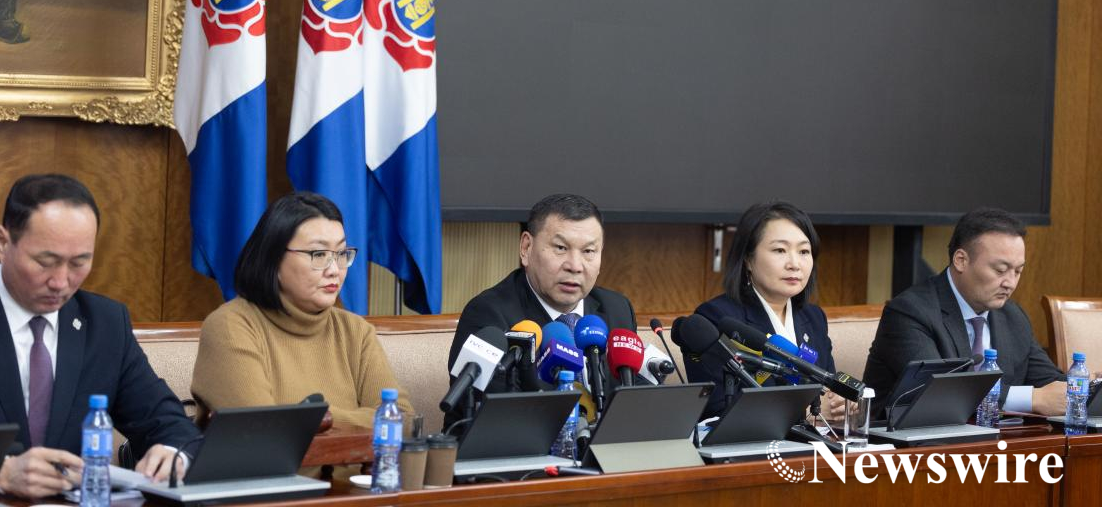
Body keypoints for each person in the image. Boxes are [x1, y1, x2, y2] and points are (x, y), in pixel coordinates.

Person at [0, 173, 198, 499]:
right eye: (45, 262)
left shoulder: (106, 324)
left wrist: (173, 454)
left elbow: (170, 425)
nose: (60, 282)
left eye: (79, 262)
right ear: (3, 242)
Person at [190, 191, 412, 435]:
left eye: (341, 254)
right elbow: (264, 428)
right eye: (319, 254)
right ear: (273, 259)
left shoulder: (355, 331)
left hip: (356, 463)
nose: (334, 270)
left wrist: (316, 417)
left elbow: (403, 421)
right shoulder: (231, 327)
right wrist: (362, 420)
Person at [444, 193, 637, 428]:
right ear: (526, 248)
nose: (575, 266)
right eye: (560, 248)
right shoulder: (489, 316)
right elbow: (494, 423)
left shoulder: (617, 310)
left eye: (588, 251)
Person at [863, 207, 1072, 415]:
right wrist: (1032, 398)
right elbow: (941, 393)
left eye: (1018, 271)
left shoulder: (1013, 317)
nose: (1010, 283)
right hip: (913, 435)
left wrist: (1083, 390)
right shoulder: (909, 312)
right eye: (1000, 270)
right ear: (961, 260)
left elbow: (1049, 383)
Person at [684, 201, 842, 420]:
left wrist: (842, 404)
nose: (795, 264)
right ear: (748, 259)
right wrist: (804, 414)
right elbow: (717, 410)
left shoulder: (814, 318)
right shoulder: (716, 319)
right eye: (780, 250)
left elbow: (828, 391)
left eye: (804, 251)